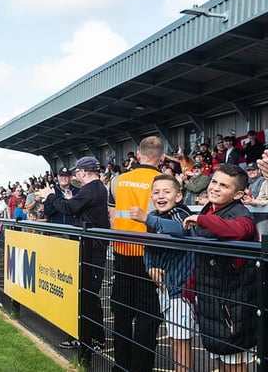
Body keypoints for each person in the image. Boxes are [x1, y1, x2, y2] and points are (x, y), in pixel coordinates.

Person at [161, 165, 257, 372]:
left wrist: (202, 220)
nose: (215, 188)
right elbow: (203, 258)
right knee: (220, 360)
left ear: (238, 194)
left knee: (233, 363)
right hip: (210, 303)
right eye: (214, 181)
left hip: (233, 307)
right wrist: (190, 288)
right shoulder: (209, 209)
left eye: (224, 185)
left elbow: (241, 229)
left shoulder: (241, 213)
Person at [36, 156, 110, 354]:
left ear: (82, 172)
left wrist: (50, 195)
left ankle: (94, 339)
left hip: (92, 249)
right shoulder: (95, 188)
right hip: (89, 247)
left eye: (77, 172)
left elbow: (69, 208)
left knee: (89, 295)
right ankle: (87, 337)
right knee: (85, 294)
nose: (75, 175)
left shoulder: (92, 188)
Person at [108, 136, 164, 372]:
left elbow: (112, 218)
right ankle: (142, 368)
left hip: (122, 252)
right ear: (161, 159)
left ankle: (121, 365)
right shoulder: (163, 182)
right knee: (148, 316)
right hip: (150, 256)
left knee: (121, 313)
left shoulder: (117, 180)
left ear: (138, 156)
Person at [129, 174, 195, 372]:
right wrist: (150, 268)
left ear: (178, 196)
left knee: (180, 342)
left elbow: (180, 229)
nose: (161, 196)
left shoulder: (180, 213)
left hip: (181, 292)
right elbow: (148, 248)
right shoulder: (156, 217)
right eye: (156, 192)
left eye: (167, 191)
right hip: (166, 289)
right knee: (176, 340)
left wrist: (146, 218)